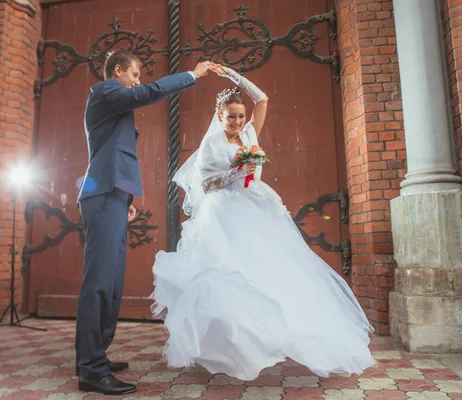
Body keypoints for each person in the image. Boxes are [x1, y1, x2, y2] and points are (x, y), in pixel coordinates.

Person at [150, 65, 376, 381]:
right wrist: (232, 174)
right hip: (224, 213)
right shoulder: (211, 146)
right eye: (231, 116)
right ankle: (228, 343)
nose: (238, 121)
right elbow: (205, 185)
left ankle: (270, 336)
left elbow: (263, 99)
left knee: (270, 270)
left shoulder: (249, 134)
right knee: (229, 274)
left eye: (241, 116)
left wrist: (233, 76)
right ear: (219, 116)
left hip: (255, 207)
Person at [75, 48, 214, 396]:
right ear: (118, 70)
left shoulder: (114, 105)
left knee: (112, 284)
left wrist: (128, 201)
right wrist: (192, 76)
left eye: (138, 76)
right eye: (134, 74)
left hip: (115, 198)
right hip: (103, 196)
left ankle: (98, 355)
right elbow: (146, 93)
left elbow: (112, 155)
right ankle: (90, 368)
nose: (137, 81)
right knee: (99, 283)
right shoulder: (105, 90)